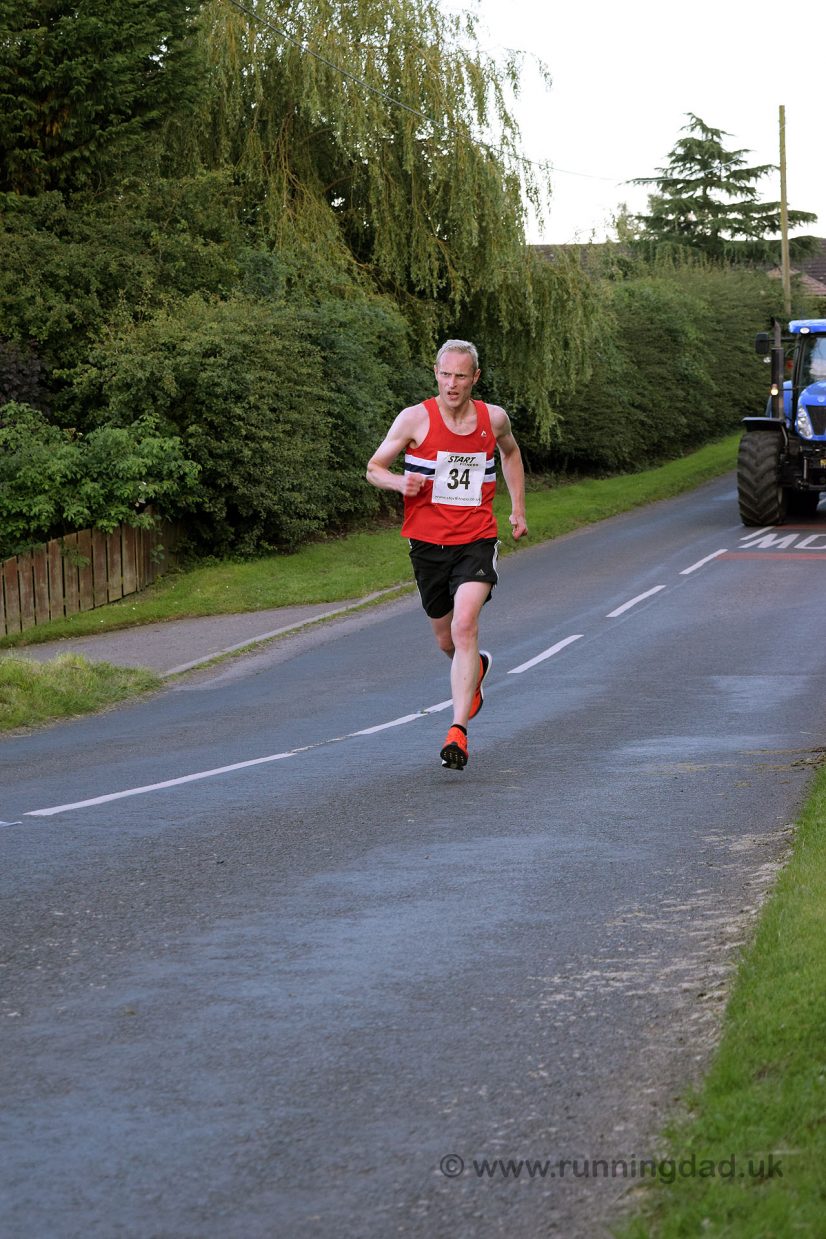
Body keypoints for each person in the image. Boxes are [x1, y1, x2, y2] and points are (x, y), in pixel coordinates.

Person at [366, 339, 528, 770]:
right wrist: (399, 483)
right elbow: (374, 468)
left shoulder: (493, 419)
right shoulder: (414, 418)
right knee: (446, 640)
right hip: (427, 545)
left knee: (464, 624)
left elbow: (511, 453)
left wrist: (517, 507)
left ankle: (458, 731)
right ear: (435, 374)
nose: (452, 384)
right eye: (445, 374)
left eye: (460, 375)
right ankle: (475, 670)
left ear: (475, 378)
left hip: (476, 539)